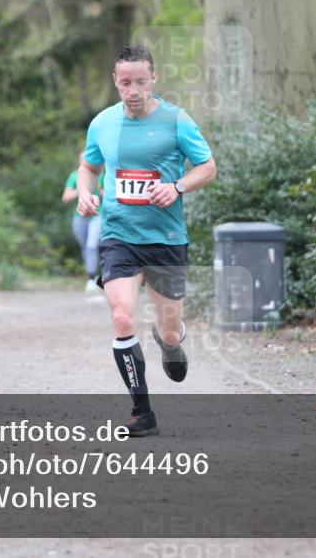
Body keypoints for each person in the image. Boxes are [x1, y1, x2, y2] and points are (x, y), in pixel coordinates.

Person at [76, 45, 217, 437]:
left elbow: (208, 167)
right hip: (119, 235)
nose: (133, 90)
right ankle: (142, 412)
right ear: (115, 83)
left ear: (153, 79)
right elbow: (88, 166)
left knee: (169, 331)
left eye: (140, 81)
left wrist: (177, 186)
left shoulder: (176, 120)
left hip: (166, 238)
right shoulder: (102, 123)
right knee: (122, 317)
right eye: (125, 83)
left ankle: (171, 343)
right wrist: (87, 193)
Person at [62, 157, 104, 291]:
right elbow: (66, 197)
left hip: (97, 214)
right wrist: (82, 190)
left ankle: (92, 278)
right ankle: (92, 275)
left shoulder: (102, 175)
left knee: (92, 245)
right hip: (80, 216)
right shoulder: (74, 176)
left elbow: (109, 194)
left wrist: (99, 189)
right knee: (85, 247)